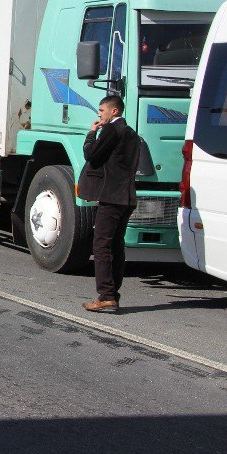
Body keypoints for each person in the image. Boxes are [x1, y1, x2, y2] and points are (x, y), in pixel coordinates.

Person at [78, 95, 140, 314]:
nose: (99, 114)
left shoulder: (112, 131)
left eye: (102, 110)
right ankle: (113, 295)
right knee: (116, 246)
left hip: (112, 197)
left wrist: (91, 134)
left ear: (114, 111)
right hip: (127, 197)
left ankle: (106, 296)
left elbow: (91, 155)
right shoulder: (132, 134)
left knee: (102, 245)